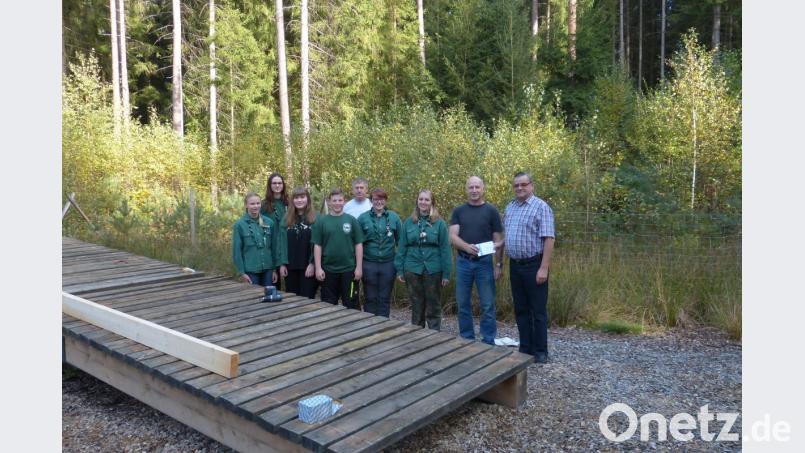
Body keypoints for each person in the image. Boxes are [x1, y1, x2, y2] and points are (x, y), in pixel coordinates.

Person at [503, 172, 555, 364]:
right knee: (521, 310)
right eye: (516, 185)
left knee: (538, 311)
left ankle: (541, 351)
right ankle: (525, 348)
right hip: (515, 266)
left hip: (535, 265)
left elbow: (549, 238)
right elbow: (505, 237)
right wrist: (499, 262)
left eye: (523, 184)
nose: (519, 188)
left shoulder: (541, 207)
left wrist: (544, 268)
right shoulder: (510, 208)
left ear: (531, 185)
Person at [449, 176, 504, 345]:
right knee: (463, 303)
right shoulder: (459, 211)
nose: (474, 190)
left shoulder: (491, 211)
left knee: (487, 304)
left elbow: (498, 241)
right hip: (464, 262)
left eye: (477, 187)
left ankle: (488, 341)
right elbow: (452, 236)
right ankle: (467, 339)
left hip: (484, 263)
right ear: (466, 189)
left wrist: (499, 264)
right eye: (471, 187)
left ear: (483, 188)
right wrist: (466, 247)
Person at [395, 189, 452, 330]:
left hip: (433, 268)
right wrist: (399, 270)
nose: (423, 202)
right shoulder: (408, 222)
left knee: (433, 303)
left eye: (426, 199)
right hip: (412, 268)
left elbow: (445, 249)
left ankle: (434, 335)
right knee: (416, 303)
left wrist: (446, 273)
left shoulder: (439, 223)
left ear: (432, 202)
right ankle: (417, 333)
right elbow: (402, 247)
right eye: (421, 199)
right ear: (417, 201)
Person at [312, 188, 365, 309]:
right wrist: (318, 268)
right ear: (329, 202)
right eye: (334, 200)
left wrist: (359, 268)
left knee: (351, 302)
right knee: (328, 304)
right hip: (328, 271)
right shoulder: (322, 222)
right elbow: (317, 245)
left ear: (344, 201)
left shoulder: (351, 220)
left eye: (340, 200)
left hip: (349, 271)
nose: (337, 203)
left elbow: (358, 245)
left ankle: (353, 327)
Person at [357, 188, 402, 317]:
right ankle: (369, 326)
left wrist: (399, 265)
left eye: (381, 199)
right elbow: (358, 243)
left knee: (384, 298)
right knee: (370, 297)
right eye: (375, 199)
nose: (378, 202)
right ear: (371, 201)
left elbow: (401, 242)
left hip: (388, 264)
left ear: (385, 200)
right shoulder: (363, 218)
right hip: (368, 264)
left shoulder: (394, 218)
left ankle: (383, 328)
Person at [232, 192, 286, 286]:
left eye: (258, 203)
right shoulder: (239, 225)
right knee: (254, 298)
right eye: (252, 204)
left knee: (269, 296)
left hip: (268, 269)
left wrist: (274, 269)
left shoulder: (269, 222)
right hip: (251, 270)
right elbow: (237, 251)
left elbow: (274, 247)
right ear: (246, 205)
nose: (255, 206)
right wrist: (242, 272)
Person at [279, 187, 320, 299]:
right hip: (290, 267)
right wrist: (282, 264)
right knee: (292, 299)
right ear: (292, 200)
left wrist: (312, 264)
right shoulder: (286, 218)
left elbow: (318, 243)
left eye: (302, 197)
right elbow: (281, 243)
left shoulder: (316, 218)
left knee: (307, 299)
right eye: (296, 198)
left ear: (308, 199)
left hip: (308, 267)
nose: (299, 200)